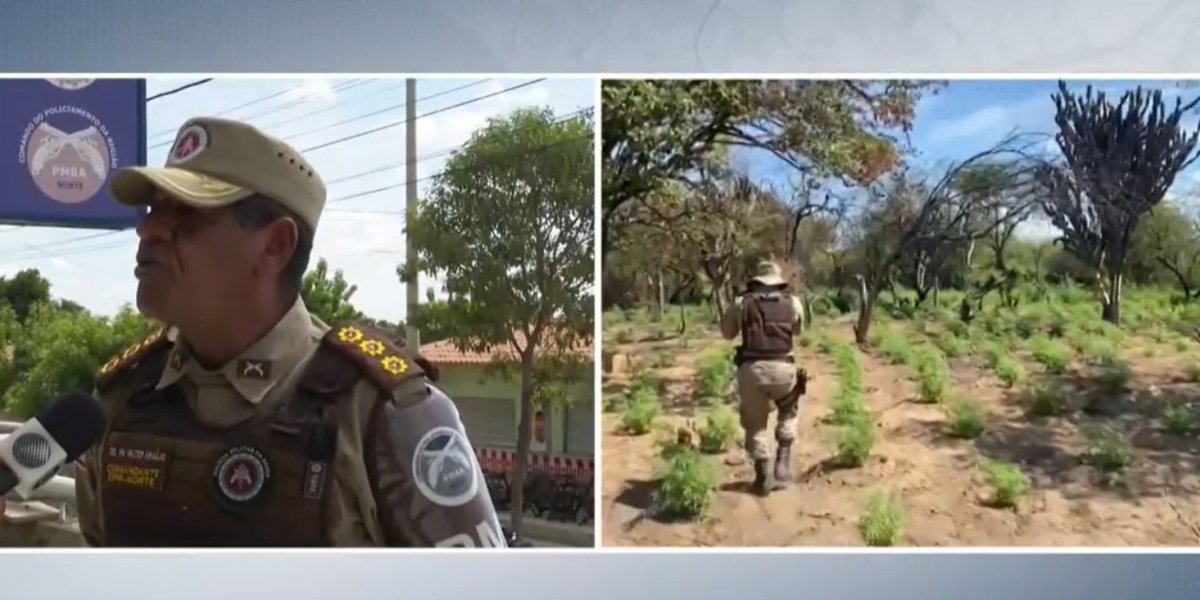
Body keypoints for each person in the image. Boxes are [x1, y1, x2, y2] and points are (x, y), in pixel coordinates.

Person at [72, 117, 507, 547]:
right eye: (153, 209)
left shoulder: (384, 414)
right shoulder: (120, 400)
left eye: (187, 213)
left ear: (275, 245)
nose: (148, 228)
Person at [720, 260, 807, 497]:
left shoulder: (741, 302)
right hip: (783, 367)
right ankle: (783, 459)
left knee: (755, 423)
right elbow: (798, 331)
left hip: (751, 370)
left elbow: (727, 334)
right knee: (789, 410)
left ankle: (762, 475)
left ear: (756, 281)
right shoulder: (793, 302)